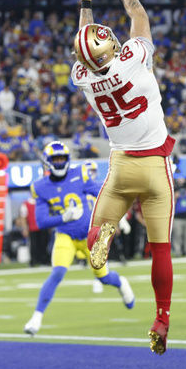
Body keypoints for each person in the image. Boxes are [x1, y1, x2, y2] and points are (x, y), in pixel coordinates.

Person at [71, 0, 175, 354]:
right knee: (160, 248)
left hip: (120, 168)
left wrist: (85, 0)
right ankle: (162, 316)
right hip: (155, 167)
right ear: (111, 49)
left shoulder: (84, 79)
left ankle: (103, 239)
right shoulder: (132, 60)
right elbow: (139, 17)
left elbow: (86, 51)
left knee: (96, 235)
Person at [23, 141, 135, 336]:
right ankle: (36, 317)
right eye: (55, 159)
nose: (59, 163)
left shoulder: (80, 175)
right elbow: (40, 221)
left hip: (91, 236)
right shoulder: (40, 187)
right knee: (57, 273)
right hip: (65, 235)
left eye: (62, 159)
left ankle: (121, 283)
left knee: (104, 277)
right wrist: (63, 218)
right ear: (48, 162)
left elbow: (103, 192)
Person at [172, 178, 186, 257]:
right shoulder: (174, 188)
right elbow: (171, 201)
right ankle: (178, 252)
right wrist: (175, 196)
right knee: (177, 236)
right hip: (178, 217)